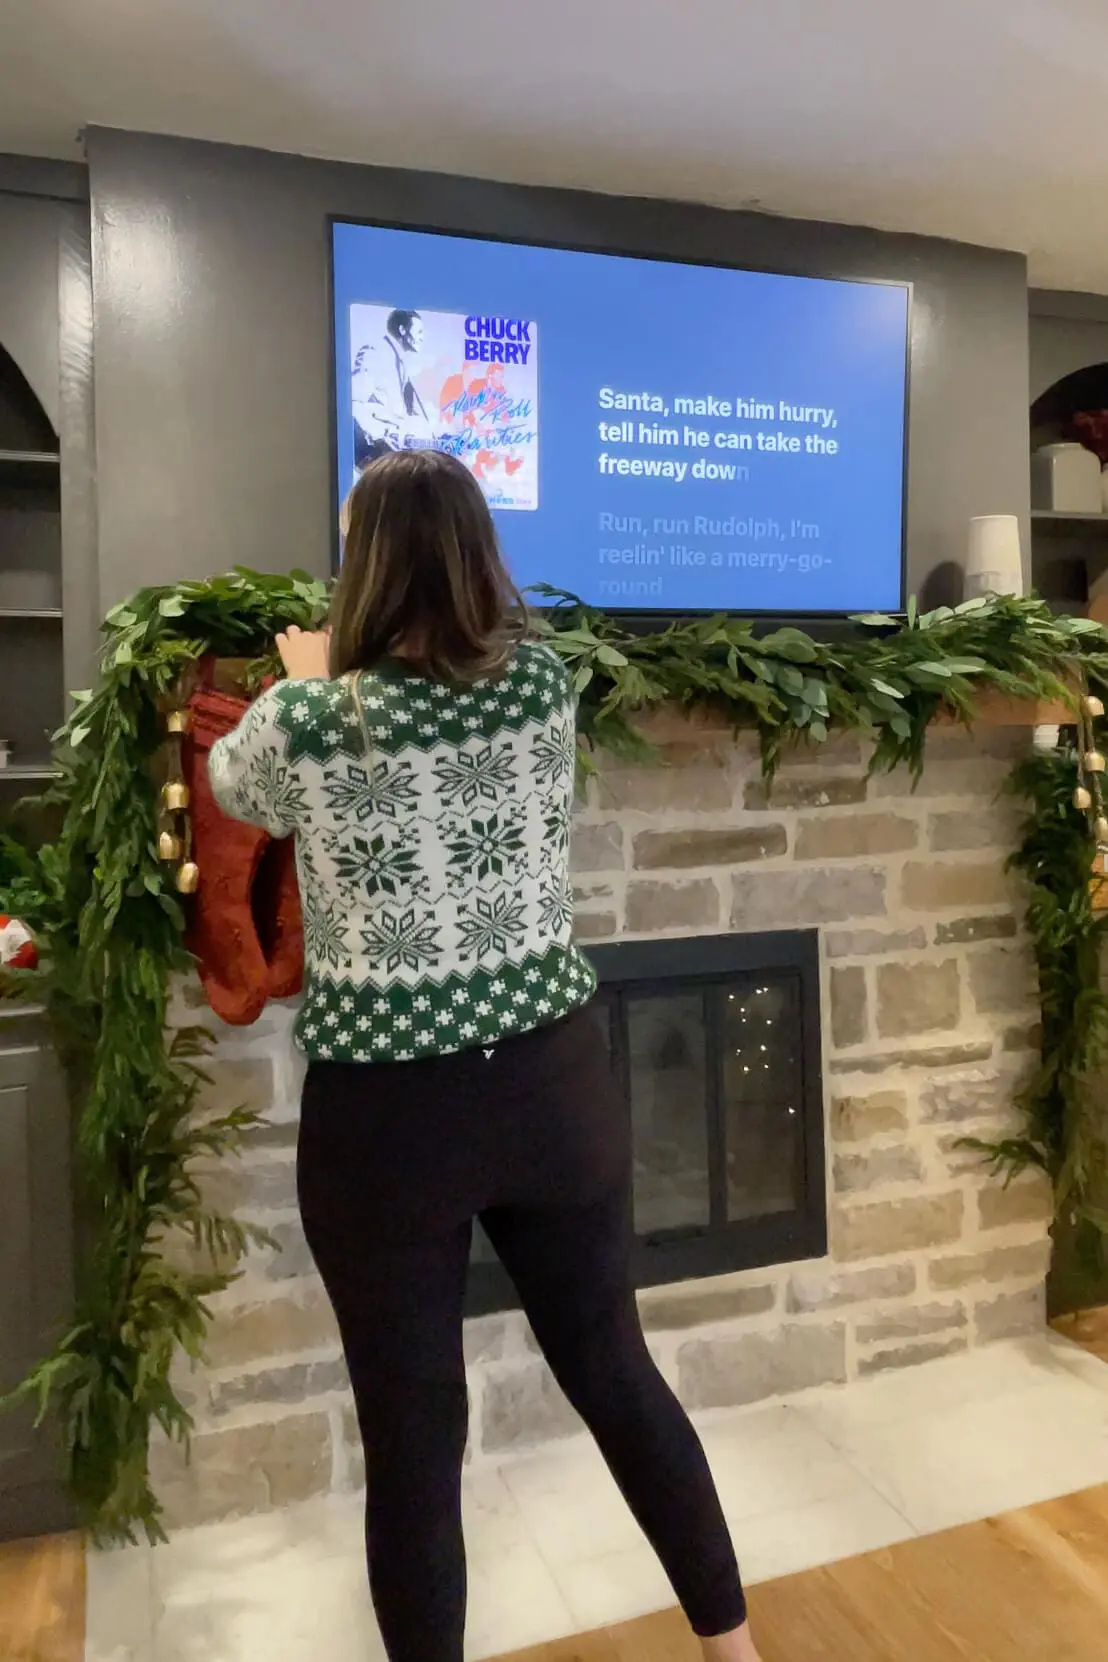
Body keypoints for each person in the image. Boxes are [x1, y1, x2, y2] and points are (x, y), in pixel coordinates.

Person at [207, 449, 762, 1662]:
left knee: (413, 1439)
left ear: (365, 564)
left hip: (388, 1129)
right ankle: (734, 1649)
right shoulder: (543, 687)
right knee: (617, 1373)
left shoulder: (306, 718)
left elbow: (229, 785)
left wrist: (312, 676)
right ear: (474, 555)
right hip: (552, 1089)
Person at [350, 307, 434, 467]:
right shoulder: (375, 351)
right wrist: (378, 435)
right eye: (419, 332)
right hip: (376, 454)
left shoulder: (403, 366)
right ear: (403, 330)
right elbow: (353, 402)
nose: (422, 338)